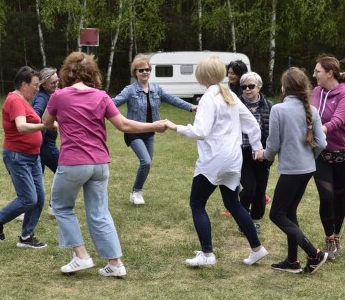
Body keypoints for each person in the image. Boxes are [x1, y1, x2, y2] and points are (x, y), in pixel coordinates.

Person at [42, 52, 167, 277]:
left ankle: (80, 256)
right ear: (92, 73)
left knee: (61, 206)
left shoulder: (59, 96)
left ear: (67, 72)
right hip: (100, 163)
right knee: (99, 212)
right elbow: (124, 125)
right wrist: (153, 125)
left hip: (73, 162)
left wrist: (65, 120)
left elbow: (46, 122)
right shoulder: (101, 96)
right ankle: (115, 264)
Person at [165, 56, 268, 267]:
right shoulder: (229, 94)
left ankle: (207, 254)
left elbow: (201, 132)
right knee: (233, 203)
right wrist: (257, 146)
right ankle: (257, 249)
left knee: (197, 203)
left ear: (201, 76)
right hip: (233, 159)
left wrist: (175, 126)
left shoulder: (208, 98)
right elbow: (251, 123)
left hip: (214, 160)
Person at [260, 67, 328, 274]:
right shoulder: (312, 110)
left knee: (277, 214)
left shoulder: (279, 110)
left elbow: (272, 143)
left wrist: (266, 158)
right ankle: (292, 261)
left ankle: (314, 253)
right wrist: (309, 159)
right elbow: (322, 143)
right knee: (289, 212)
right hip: (308, 168)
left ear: (285, 87)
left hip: (291, 170)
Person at [0, 66, 55, 249]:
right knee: (28, 198)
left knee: (39, 198)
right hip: (18, 156)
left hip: (33, 156)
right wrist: (45, 126)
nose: (37, 89)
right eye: (34, 85)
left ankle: (26, 237)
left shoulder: (23, 100)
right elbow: (22, 126)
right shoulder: (15, 100)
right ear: (24, 84)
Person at [113, 55, 197, 205]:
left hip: (150, 133)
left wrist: (191, 107)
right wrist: (97, 107)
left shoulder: (157, 90)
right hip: (133, 132)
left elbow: (173, 99)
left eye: (147, 69)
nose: (145, 72)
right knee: (145, 161)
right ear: (135, 73)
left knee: (148, 163)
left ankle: (136, 191)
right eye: (141, 70)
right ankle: (136, 192)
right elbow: (113, 103)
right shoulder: (129, 90)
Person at [311, 54, 345, 260]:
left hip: (344, 153)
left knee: (339, 198)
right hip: (320, 153)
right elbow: (308, 114)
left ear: (330, 73)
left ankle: (337, 237)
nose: (314, 75)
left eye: (318, 71)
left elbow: (338, 120)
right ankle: (329, 238)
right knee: (326, 196)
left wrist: (321, 129)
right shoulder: (316, 92)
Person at [238, 72, 273, 233]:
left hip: (262, 153)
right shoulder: (235, 105)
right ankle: (243, 217)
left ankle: (256, 219)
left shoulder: (269, 106)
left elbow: (273, 132)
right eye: (244, 86)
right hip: (242, 152)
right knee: (249, 188)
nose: (247, 89)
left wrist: (269, 153)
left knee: (260, 189)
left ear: (259, 87)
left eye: (251, 86)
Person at [32, 67, 60, 216]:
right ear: (43, 84)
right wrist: (48, 125)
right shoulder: (42, 98)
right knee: (64, 170)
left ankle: (25, 208)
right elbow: (35, 116)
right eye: (53, 82)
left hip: (41, 144)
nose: (56, 84)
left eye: (57, 81)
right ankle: (54, 206)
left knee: (36, 179)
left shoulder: (51, 94)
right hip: (44, 144)